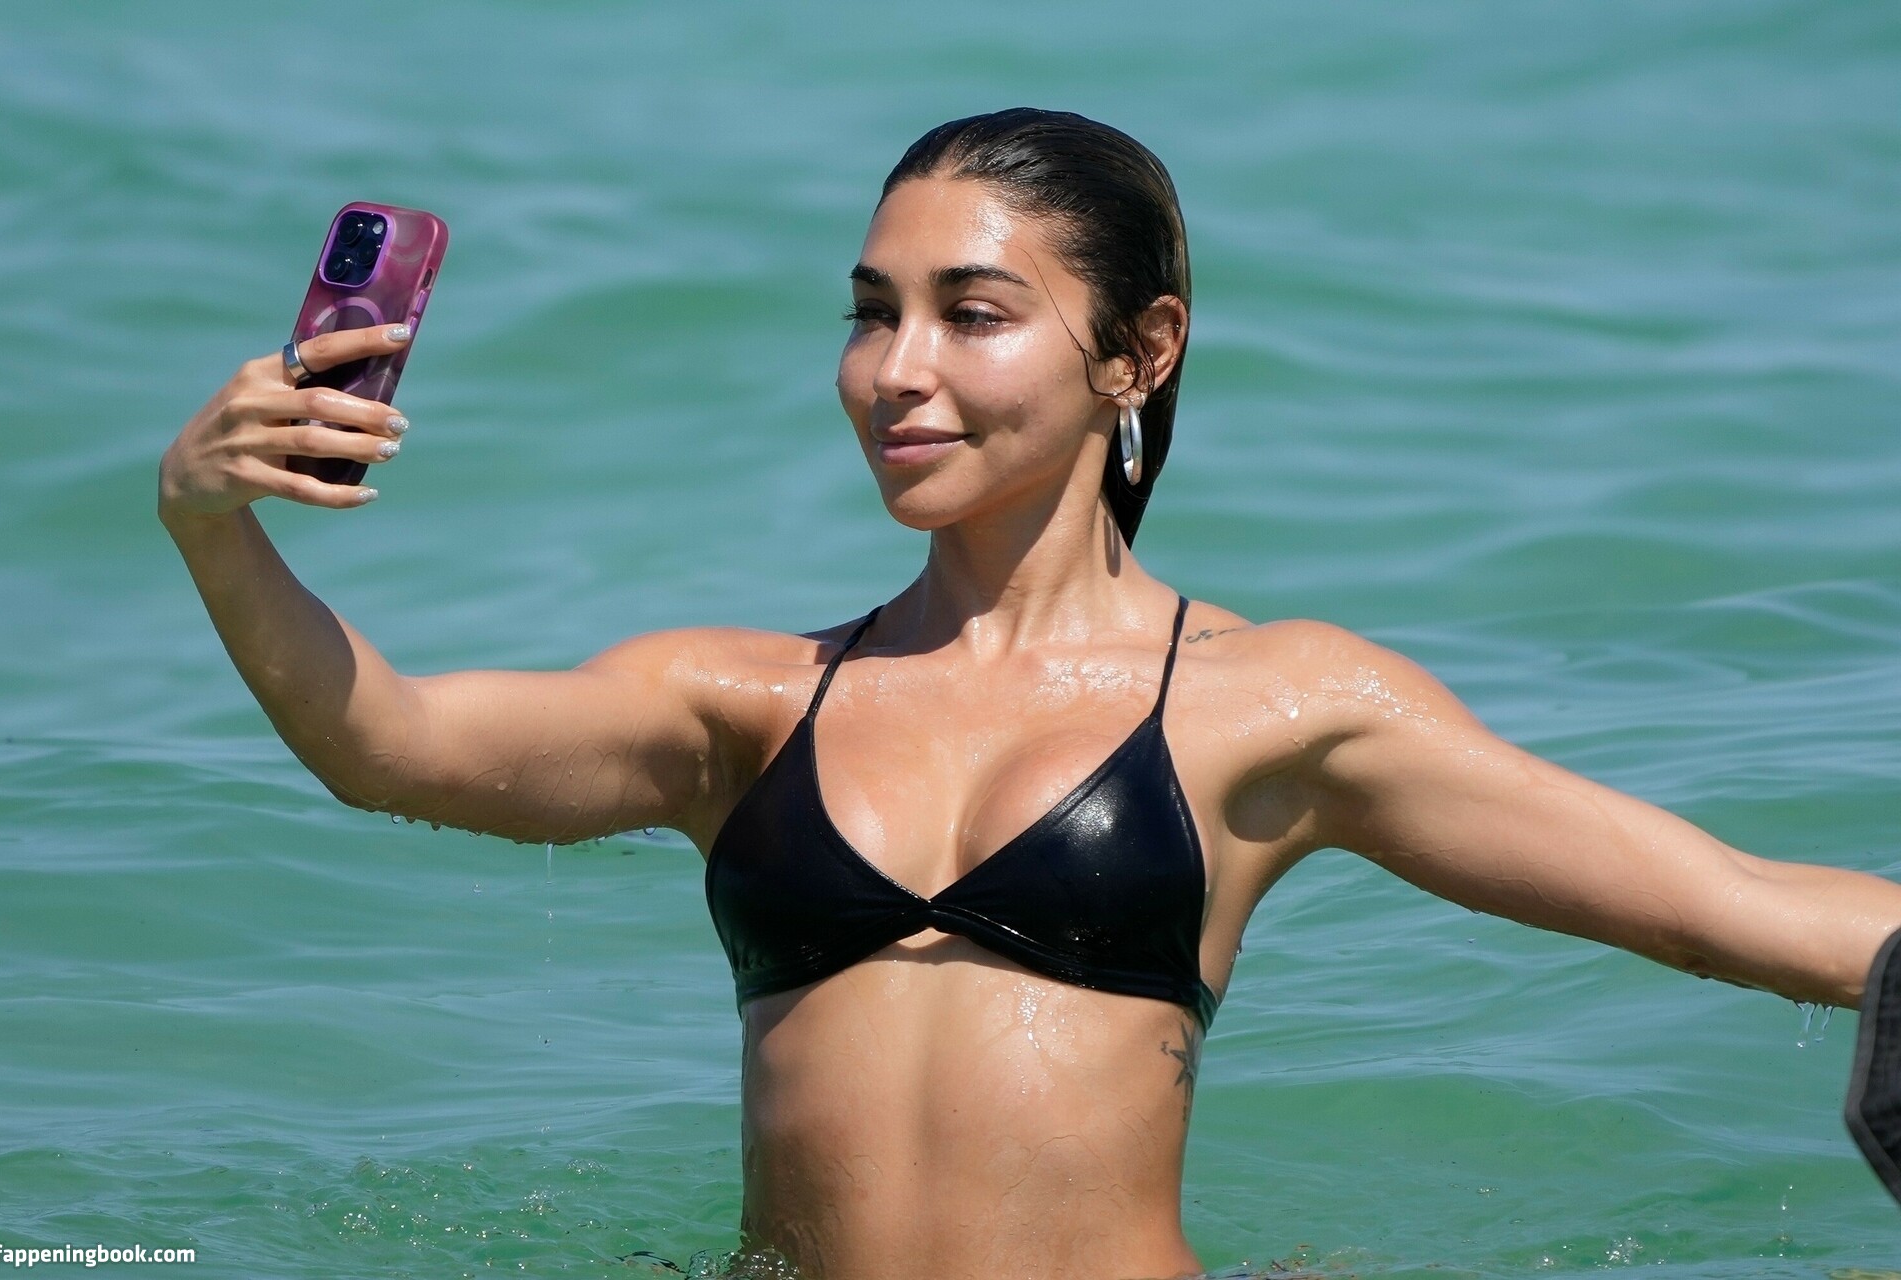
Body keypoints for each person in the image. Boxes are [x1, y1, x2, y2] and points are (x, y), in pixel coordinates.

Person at [159, 108, 1901, 1280]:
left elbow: (1719, 909)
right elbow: (385, 745)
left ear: (1138, 353)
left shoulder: (1264, 707)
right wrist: (209, 521)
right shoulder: (741, 704)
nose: (896, 371)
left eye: (971, 313)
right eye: (872, 313)